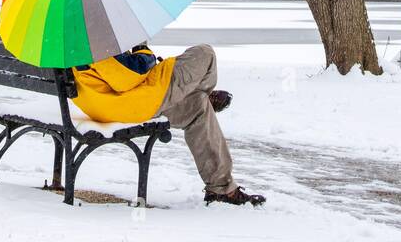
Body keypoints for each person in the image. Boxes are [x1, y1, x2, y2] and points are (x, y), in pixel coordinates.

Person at [73, 44, 265, 207]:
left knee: (198, 107)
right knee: (205, 54)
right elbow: (130, 74)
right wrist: (143, 51)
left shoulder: (66, 36)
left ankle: (221, 189)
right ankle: (199, 91)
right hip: (134, 102)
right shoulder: (92, 35)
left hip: (103, 104)